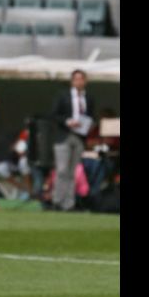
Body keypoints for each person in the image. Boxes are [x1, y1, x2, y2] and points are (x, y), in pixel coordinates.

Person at [51, 69, 96, 211]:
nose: (78, 82)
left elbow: (91, 116)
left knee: (73, 171)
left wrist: (88, 125)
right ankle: (57, 200)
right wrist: (67, 121)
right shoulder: (63, 96)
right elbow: (54, 115)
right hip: (64, 135)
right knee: (62, 170)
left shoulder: (88, 98)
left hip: (79, 136)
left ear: (85, 81)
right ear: (72, 81)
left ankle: (68, 203)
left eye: (81, 79)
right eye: (76, 79)